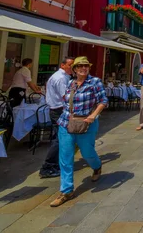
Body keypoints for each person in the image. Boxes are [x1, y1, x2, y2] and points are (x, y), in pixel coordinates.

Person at [50, 56, 107, 207]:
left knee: (87, 152)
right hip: (67, 122)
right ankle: (66, 191)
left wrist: (93, 115)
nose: (83, 68)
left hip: (86, 123)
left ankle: (96, 167)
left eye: (86, 66)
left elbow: (103, 101)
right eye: (80, 66)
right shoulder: (71, 83)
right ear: (74, 69)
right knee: (65, 157)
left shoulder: (95, 82)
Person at [39, 56, 74, 179]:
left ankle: (57, 163)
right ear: (62, 65)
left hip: (58, 109)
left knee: (60, 137)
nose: (72, 68)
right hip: (58, 110)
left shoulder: (63, 77)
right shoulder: (60, 78)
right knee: (59, 139)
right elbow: (66, 96)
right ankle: (48, 166)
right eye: (70, 65)